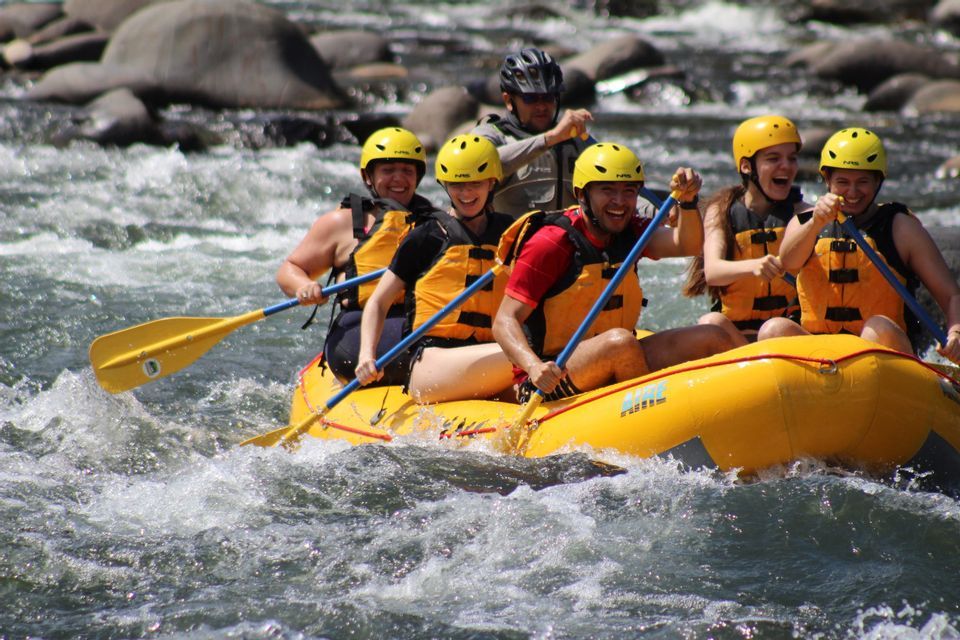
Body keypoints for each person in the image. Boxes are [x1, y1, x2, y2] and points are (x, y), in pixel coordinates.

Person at [492, 142, 737, 402]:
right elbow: (504, 321)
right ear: (582, 194)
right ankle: (651, 417)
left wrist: (688, 202)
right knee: (619, 344)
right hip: (553, 374)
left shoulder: (632, 231)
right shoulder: (551, 243)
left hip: (617, 355)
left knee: (712, 337)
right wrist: (533, 367)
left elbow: (686, 244)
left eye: (629, 191)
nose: (619, 202)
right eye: (607, 190)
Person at [757, 127, 960, 364]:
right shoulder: (805, 221)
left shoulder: (900, 227)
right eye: (842, 181)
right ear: (827, 180)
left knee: (878, 327)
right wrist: (816, 222)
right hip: (820, 357)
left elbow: (950, 295)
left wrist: (956, 332)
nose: (852, 192)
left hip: (885, 355)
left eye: (862, 182)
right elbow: (788, 263)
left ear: (878, 182)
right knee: (773, 329)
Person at [355, 135, 517, 403]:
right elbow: (378, 302)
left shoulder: (511, 233)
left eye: (474, 184)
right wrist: (366, 355)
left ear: (491, 182)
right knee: (524, 355)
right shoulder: (426, 236)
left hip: (489, 354)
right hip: (432, 362)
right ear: (445, 185)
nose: (465, 194)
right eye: (456, 185)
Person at [276, 127, 440, 384]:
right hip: (357, 330)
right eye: (388, 170)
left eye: (407, 171)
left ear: (418, 177)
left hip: (419, 322)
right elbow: (289, 269)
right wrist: (305, 286)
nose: (399, 178)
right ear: (368, 176)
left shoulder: (435, 223)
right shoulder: (343, 222)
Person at [683, 115, 811, 345]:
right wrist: (754, 266)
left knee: (775, 329)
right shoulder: (720, 211)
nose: (787, 166)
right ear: (746, 166)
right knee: (711, 321)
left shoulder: (805, 213)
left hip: (787, 331)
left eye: (792, 158)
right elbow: (713, 271)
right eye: (773, 158)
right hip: (738, 337)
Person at [471, 47, 595, 218]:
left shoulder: (576, 139)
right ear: (509, 100)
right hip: (511, 243)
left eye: (548, 97)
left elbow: (620, 185)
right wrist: (550, 138)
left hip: (567, 242)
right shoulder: (490, 134)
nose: (542, 106)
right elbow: (477, 166)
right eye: (530, 98)